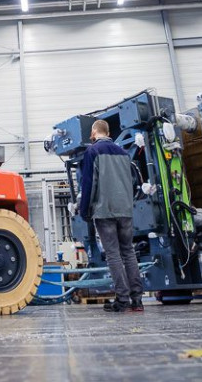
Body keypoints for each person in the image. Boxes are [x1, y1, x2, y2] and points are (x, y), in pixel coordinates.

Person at [75, 119, 143, 313]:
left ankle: (122, 299)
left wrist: (85, 209)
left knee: (113, 254)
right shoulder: (123, 153)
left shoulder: (92, 151)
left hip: (104, 210)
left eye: (91, 133)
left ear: (95, 132)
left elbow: (89, 182)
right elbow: (132, 181)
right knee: (128, 252)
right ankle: (137, 300)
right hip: (125, 210)